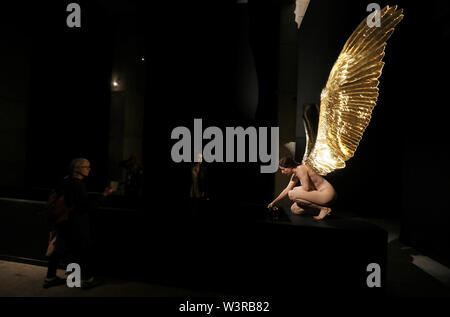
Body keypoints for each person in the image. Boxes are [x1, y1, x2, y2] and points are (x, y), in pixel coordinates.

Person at [43, 158, 115, 289]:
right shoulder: (78, 185)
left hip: (62, 221)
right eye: (86, 167)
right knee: (83, 250)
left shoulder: (64, 180)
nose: (89, 169)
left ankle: (50, 277)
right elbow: (86, 206)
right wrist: (104, 195)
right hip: (75, 223)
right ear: (77, 169)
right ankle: (88, 280)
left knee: (58, 249)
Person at [267, 157, 337, 220]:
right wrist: (274, 202)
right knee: (295, 209)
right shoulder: (295, 175)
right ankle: (320, 210)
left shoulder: (301, 169)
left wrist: (295, 189)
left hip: (327, 194)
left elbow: (307, 188)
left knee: (292, 193)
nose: (282, 172)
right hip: (318, 193)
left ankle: (323, 209)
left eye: (283, 169)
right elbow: (287, 189)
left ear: (290, 167)